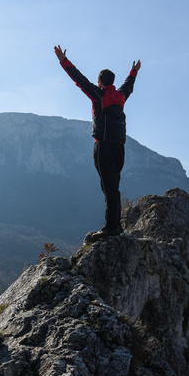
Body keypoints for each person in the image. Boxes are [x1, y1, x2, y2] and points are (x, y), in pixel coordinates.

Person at [54, 45, 141, 241]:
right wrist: (134, 71)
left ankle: (111, 228)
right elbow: (129, 85)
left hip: (103, 146)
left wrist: (63, 61)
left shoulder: (99, 95)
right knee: (114, 187)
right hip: (120, 148)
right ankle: (115, 225)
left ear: (100, 83)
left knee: (108, 187)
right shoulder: (120, 96)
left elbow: (79, 80)